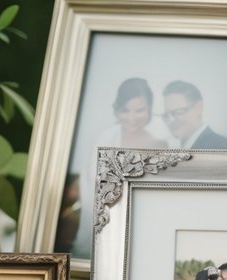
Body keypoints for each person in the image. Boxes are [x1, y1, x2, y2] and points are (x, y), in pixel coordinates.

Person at [69, 78, 165, 257]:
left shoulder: (159, 145)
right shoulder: (103, 139)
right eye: (125, 110)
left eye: (140, 110)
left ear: (150, 109)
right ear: (117, 110)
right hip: (101, 221)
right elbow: (90, 186)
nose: (132, 117)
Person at [161, 80, 227, 149]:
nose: (171, 120)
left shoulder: (220, 146)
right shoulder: (172, 146)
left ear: (198, 108)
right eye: (166, 115)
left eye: (178, 111)